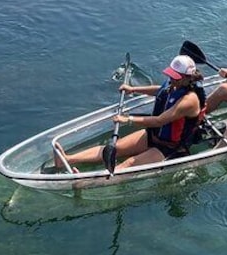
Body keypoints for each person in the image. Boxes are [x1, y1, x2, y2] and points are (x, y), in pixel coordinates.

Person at [53, 55, 204, 171]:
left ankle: (83, 181)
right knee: (113, 149)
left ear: (187, 78)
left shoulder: (189, 100)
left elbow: (159, 121)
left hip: (170, 146)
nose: (171, 79)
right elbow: (160, 90)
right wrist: (133, 89)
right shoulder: (174, 84)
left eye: (175, 77)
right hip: (153, 135)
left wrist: (128, 119)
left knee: (129, 163)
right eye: (171, 74)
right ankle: (67, 159)